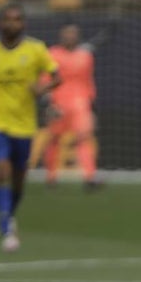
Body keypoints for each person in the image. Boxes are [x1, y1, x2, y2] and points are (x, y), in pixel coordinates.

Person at [0, 5, 60, 252]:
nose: (11, 24)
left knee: (18, 179)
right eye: (7, 19)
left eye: (16, 20)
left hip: (24, 124)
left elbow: (57, 76)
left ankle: (9, 213)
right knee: (0, 171)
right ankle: (6, 229)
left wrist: (43, 88)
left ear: (23, 24)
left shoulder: (36, 49)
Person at [43, 23, 101, 191]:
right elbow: (46, 79)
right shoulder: (52, 54)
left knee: (83, 139)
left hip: (80, 104)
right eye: (67, 33)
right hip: (58, 104)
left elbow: (88, 81)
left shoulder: (85, 56)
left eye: (73, 33)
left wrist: (91, 104)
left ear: (78, 36)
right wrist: (49, 103)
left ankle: (89, 177)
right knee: (54, 139)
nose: (70, 37)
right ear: (61, 36)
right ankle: (51, 177)